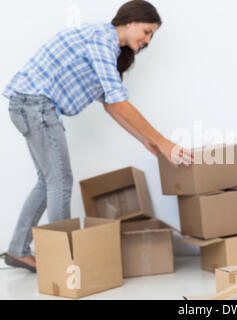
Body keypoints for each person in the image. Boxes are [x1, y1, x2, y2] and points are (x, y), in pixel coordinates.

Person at [3, 0, 192, 272]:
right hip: (36, 105)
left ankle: (18, 250)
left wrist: (145, 141)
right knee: (60, 182)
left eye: (152, 35)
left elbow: (110, 105)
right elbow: (119, 103)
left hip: (30, 105)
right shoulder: (102, 39)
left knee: (48, 182)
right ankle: (63, 261)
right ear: (130, 22)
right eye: (147, 31)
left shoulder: (107, 49)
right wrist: (163, 142)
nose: (148, 40)